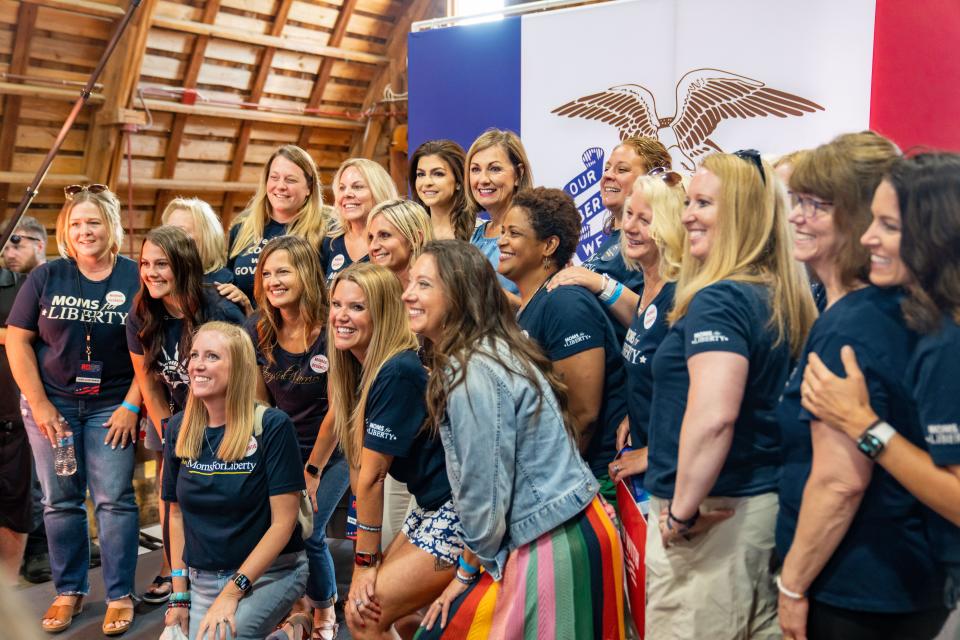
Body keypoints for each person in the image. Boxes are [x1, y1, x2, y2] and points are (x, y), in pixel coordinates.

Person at [405, 240, 623, 638]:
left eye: (423, 284)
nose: (408, 294)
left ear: (457, 295)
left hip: (552, 541)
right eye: (410, 283)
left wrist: (468, 570)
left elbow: (484, 496)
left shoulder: (471, 372)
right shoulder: (494, 347)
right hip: (575, 527)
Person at [780, 149, 954, 639]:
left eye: (889, 225)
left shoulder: (911, 332)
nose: (870, 237)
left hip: (868, 587)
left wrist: (866, 427)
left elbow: (841, 482)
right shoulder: (920, 314)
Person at [643, 151, 817, 639]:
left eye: (703, 203)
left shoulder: (721, 299)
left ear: (740, 214)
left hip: (712, 521)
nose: (688, 214)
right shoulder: (771, 292)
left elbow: (715, 414)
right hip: (754, 512)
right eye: (688, 201)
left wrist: (680, 509)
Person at [7, 185, 143, 635]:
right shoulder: (46, 277)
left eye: (94, 222)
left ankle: (121, 593)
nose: (85, 231)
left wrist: (130, 405)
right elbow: (18, 340)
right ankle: (69, 590)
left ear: (112, 227)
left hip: (112, 406)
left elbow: (153, 346)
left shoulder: (134, 276)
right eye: (77, 223)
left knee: (114, 501)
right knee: (60, 500)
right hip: (54, 407)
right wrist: (41, 404)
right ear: (66, 229)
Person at [328, 263, 462, 639]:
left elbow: (373, 477)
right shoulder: (362, 369)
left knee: (363, 614)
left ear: (383, 313)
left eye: (356, 307)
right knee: (398, 617)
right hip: (432, 507)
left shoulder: (397, 370)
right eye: (336, 304)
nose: (341, 316)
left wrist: (364, 562)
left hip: (459, 512)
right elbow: (360, 471)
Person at [162, 321, 307, 640]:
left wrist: (231, 592)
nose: (197, 364)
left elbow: (283, 524)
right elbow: (175, 515)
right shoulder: (178, 429)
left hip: (268, 574)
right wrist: (179, 594)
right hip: (200, 580)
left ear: (239, 368)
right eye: (195, 355)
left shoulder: (272, 426)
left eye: (212, 356)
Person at [126, 225, 245, 604]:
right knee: (172, 495)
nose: (151, 272)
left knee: (223, 500)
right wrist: (172, 437)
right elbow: (149, 384)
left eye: (162, 263)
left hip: (226, 418)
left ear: (183, 265)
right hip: (177, 421)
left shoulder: (219, 309)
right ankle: (177, 578)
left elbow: (241, 378)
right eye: (145, 263)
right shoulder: (142, 314)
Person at [245, 236, 348, 640]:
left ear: (306, 273)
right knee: (276, 528)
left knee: (310, 529)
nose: (273, 281)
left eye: (283, 271)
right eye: (267, 273)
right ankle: (295, 605)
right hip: (282, 445)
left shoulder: (332, 328)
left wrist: (313, 470)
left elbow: (338, 411)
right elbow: (259, 403)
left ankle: (325, 610)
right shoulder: (257, 327)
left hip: (333, 450)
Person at [498, 187, 628, 501]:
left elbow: (583, 414)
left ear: (549, 245)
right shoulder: (531, 305)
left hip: (591, 483)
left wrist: (547, 488)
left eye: (514, 233)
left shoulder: (566, 303)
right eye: (502, 231)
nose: (501, 241)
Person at [224, 145, 327, 310]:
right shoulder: (242, 227)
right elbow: (228, 283)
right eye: (274, 177)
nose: (280, 186)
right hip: (246, 328)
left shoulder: (324, 231)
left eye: (290, 180)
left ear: (309, 188)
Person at [465, 128, 533, 297]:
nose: (483, 179)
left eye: (494, 169)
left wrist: (496, 299)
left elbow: (546, 304)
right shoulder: (475, 235)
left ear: (518, 174)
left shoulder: (534, 233)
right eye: (475, 170)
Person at [322, 158, 399, 285]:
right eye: (342, 188)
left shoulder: (395, 240)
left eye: (357, 187)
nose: (346, 194)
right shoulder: (331, 242)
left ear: (378, 191)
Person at [0, 265, 26, 585]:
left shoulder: (20, 285)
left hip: (11, 420)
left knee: (13, 514)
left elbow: (39, 335)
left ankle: (7, 599)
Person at [409, 140, 473, 241]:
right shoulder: (409, 234)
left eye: (438, 174)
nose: (427, 182)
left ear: (459, 182)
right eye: (421, 174)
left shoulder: (480, 234)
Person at [161, 197, 233, 285]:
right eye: (168, 231)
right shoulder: (157, 276)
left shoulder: (224, 282)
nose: (170, 238)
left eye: (180, 231)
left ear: (207, 237)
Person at [367, 199, 434, 289]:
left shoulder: (437, 289)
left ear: (415, 239)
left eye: (385, 235)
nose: (373, 246)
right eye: (371, 237)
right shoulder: (367, 290)